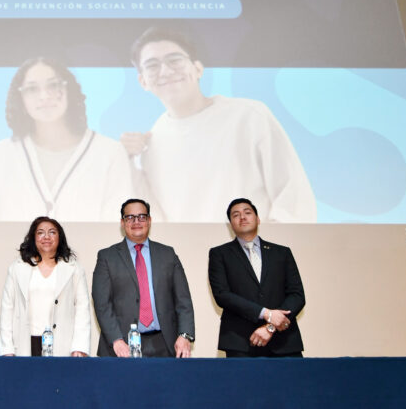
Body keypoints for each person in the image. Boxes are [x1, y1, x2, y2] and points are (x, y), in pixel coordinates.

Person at [120, 27, 316, 222]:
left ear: (197, 69)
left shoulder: (249, 116)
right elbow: (156, 219)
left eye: (175, 60)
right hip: (191, 252)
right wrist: (124, 157)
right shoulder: (152, 143)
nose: (166, 70)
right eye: (152, 65)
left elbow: (294, 200)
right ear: (142, 81)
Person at [0, 57, 135, 221]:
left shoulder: (109, 152)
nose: (44, 96)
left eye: (53, 85)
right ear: (20, 99)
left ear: (68, 90)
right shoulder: (0, 156)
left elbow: (116, 226)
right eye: (32, 89)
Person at [92, 199, 195, 357]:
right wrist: (116, 340)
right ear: (122, 222)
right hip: (122, 347)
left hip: (166, 344)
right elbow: (102, 304)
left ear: (149, 220)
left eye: (141, 216)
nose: (136, 222)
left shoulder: (168, 254)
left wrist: (185, 335)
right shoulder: (107, 257)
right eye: (130, 217)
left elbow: (183, 300)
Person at [208, 198, 306, 357]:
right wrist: (266, 313)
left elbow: (297, 295)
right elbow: (222, 295)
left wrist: (270, 327)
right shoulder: (219, 254)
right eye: (236, 215)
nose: (242, 217)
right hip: (240, 342)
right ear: (230, 224)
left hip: (285, 342)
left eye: (247, 212)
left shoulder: (282, 253)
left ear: (258, 219)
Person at [0, 217, 91, 357]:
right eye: (40, 232)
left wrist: (79, 346)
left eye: (52, 232)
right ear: (33, 238)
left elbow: (82, 308)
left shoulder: (73, 268)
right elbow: (7, 309)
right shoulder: (17, 268)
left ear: (59, 237)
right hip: (26, 343)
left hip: (62, 344)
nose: (46, 236)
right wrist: (7, 348)